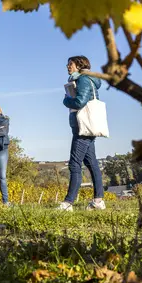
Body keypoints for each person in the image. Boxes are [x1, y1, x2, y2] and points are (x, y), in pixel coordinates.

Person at [58, 55, 105, 211]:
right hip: (85, 126)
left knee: (74, 164)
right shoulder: (85, 79)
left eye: (69, 64)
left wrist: (66, 100)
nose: (67, 66)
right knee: (92, 163)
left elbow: (79, 102)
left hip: (83, 128)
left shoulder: (83, 79)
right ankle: (98, 201)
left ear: (79, 65)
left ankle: (68, 203)